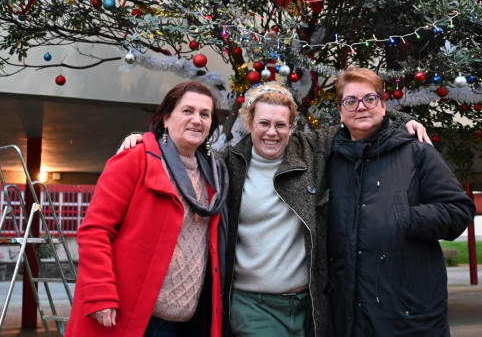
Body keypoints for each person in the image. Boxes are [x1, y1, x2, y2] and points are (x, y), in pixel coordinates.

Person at [118, 82, 430, 337]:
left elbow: (358, 119)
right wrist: (146, 142)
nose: (272, 132)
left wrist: (404, 121)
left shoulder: (313, 150)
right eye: (263, 123)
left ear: (292, 126)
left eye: (281, 125)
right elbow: (184, 147)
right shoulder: (226, 163)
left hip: (308, 304)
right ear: (249, 123)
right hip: (252, 304)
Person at [64, 81, 229, 337]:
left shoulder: (216, 174)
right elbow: (95, 230)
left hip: (188, 323)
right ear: (166, 118)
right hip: (133, 317)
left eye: (204, 114)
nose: (197, 120)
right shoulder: (135, 159)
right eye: (187, 111)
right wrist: (99, 293)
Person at [327, 67, 476, 336]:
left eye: (370, 99)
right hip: (348, 317)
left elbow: (459, 210)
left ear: (383, 105)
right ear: (340, 110)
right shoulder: (329, 161)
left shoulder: (416, 151)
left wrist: (405, 217)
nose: (361, 107)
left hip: (408, 316)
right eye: (351, 101)